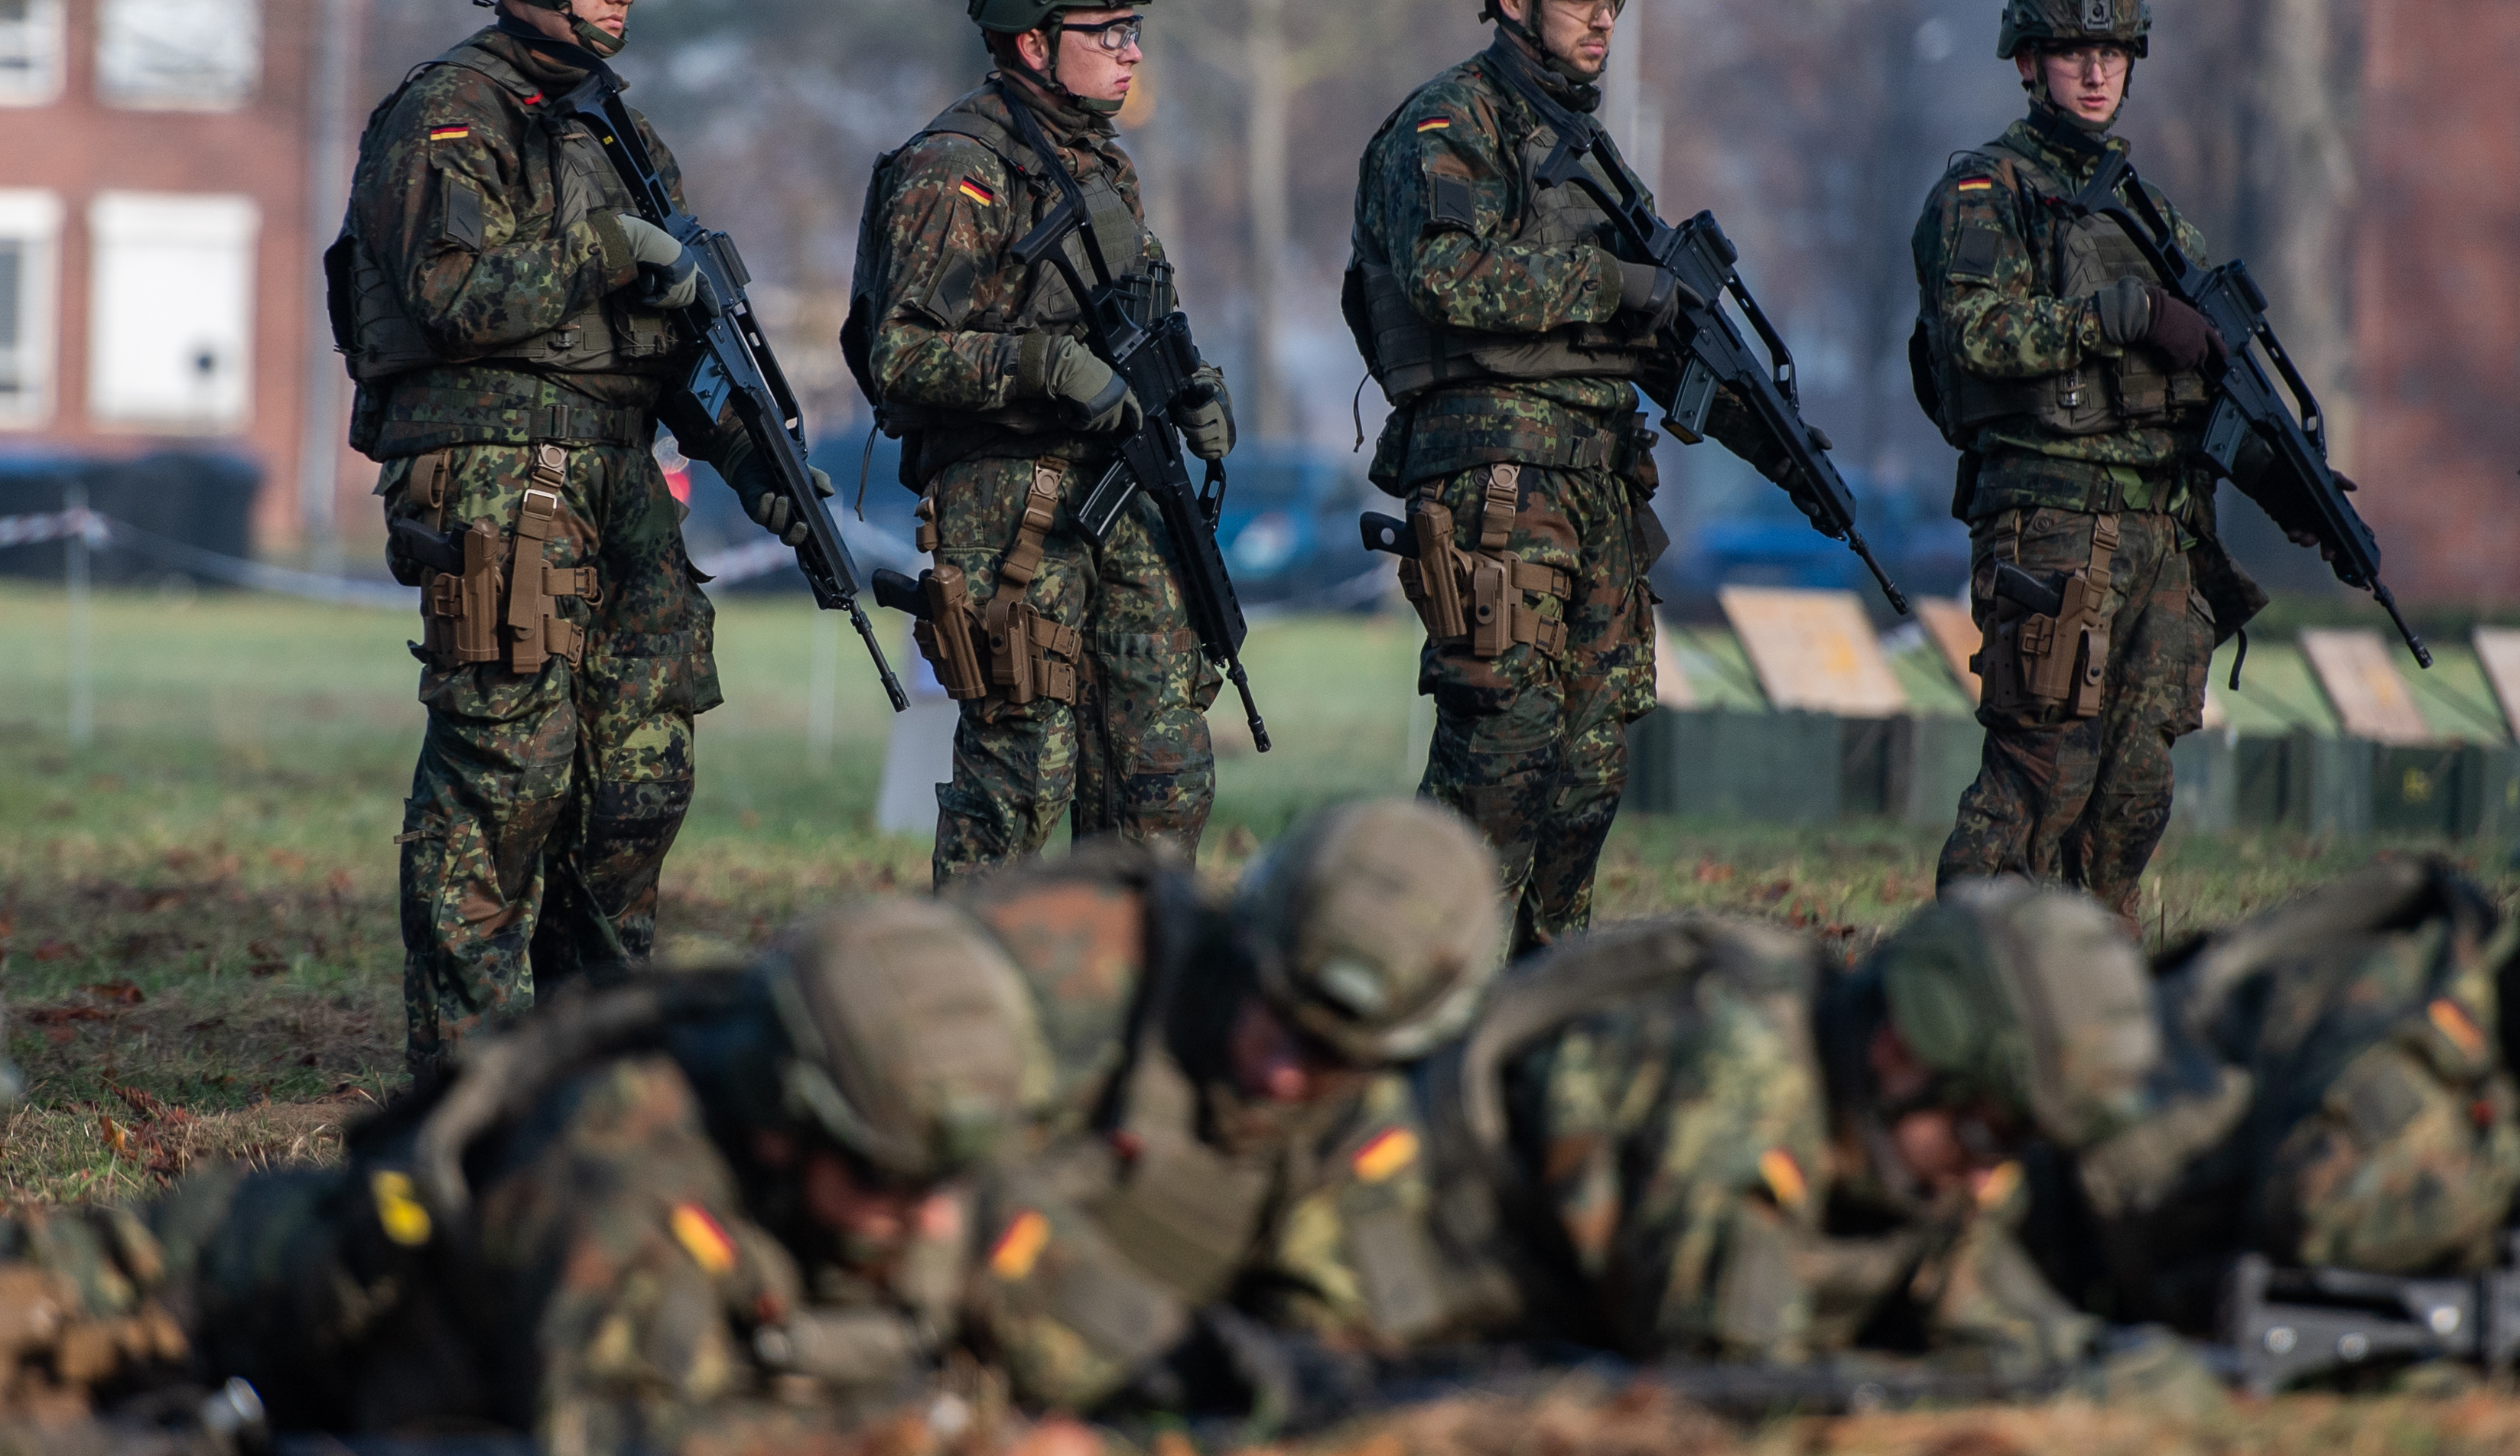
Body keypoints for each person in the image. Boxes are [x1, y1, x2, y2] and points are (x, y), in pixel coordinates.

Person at [332, 0, 824, 1078]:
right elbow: (453, 294)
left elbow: (674, 337)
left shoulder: (619, 126)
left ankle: (597, 1058)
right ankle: (472, 1076)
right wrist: (608, 247)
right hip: (496, 470)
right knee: (506, 777)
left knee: (637, 777)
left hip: (618, 467)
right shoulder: (449, 111)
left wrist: (770, 472)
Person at [5, 899, 1049, 1447]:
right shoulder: (621, 1175)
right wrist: (919, 1438)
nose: (933, 1219)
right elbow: (605, 1432)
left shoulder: (912, 1157)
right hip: (197, 1300)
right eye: (892, 1182)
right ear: (785, 1129)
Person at [1343, 0, 1817, 957]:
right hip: (1494, 484)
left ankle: (1544, 993)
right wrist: (1618, 286)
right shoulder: (1444, 124)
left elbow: (1660, 343)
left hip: (1598, 485)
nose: (1602, 14)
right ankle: (1414, 979)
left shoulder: (1591, 151)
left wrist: (1779, 449)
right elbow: (1443, 279)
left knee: (1586, 767)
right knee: (1497, 758)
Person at [1255, 879, 2165, 1377]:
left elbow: (2007, 1324)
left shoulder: (1903, 1127)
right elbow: (1728, 1388)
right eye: (1977, 1138)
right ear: (1896, 1053)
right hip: (1347, 1294)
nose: (1983, 1183)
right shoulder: (1735, 1082)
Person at [843, 0, 1234, 888]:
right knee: (1018, 782)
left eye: (1133, 30)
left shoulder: (1103, 163)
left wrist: (1188, 390)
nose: (1130, 51)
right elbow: (900, 356)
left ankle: (1132, 1001)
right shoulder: (955, 166)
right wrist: (1043, 368)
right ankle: (967, 1014)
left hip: (1125, 491)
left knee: (1161, 773)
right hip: (1011, 508)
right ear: (1031, 40)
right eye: (1106, 32)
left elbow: (1142, 315)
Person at [1910, 0, 2271, 918]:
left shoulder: (2156, 218)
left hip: (2160, 534)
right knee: (2038, 775)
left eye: (2112, 50)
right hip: (2051, 525)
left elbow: (2213, 383)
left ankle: (2089, 999)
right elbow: (1976, 336)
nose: (2096, 71)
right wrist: (2116, 316)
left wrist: (2286, 484)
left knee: (2131, 795)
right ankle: (1955, 975)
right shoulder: (1982, 196)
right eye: (2072, 50)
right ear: (2027, 62)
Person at [945, 798, 1506, 1412]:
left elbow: (1351, 1343)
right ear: (1243, 939)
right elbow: (893, 1170)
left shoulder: (1365, 1128)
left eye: (1328, 1057)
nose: (1283, 1075)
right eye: (1276, 1016)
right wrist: (1156, 1348)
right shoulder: (1071, 961)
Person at [2050, 857, 2520, 1334]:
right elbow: (2308, 1213)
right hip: (2084, 1223)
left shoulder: (2450, 951)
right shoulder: (2430, 1036)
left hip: (2117, 1180)